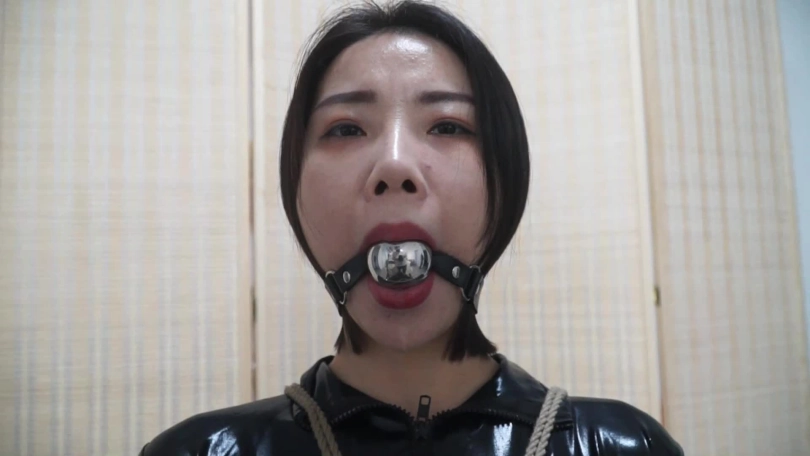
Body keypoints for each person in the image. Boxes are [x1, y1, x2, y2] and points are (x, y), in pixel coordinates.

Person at [140, 1, 683, 455]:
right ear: (295, 183)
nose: (394, 164)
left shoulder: (622, 446)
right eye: (346, 129)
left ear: (507, 176)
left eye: (447, 126)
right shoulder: (200, 451)